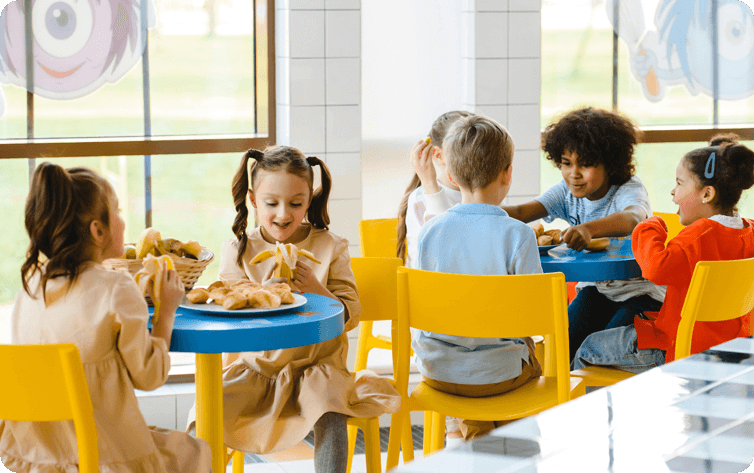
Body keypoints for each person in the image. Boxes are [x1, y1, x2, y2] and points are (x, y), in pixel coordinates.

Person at [187, 147, 400, 473]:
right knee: (205, 415)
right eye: (272, 203)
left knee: (330, 414)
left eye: (296, 203)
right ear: (254, 200)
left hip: (318, 368)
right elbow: (228, 319)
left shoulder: (330, 246)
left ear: (309, 200)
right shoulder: (239, 249)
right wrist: (260, 294)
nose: (283, 214)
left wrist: (317, 290)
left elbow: (351, 314)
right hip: (258, 369)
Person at [0, 163, 211, 473]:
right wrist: (165, 313)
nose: (124, 222)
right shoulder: (116, 287)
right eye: (118, 212)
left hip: (36, 458)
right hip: (106, 459)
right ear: (98, 230)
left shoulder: (29, 287)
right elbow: (150, 376)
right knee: (196, 451)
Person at [572, 138, 754, 371]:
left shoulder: (698, 235)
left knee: (589, 347)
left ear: (707, 194)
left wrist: (650, 225)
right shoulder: (749, 232)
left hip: (677, 347)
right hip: (727, 345)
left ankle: (580, 407)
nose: (672, 191)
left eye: (679, 183)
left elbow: (656, 268)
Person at [414, 115, 543, 441]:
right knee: (526, 358)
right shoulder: (519, 235)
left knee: (485, 367)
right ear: (508, 173)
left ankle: (477, 441)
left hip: (438, 370)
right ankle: (509, 454)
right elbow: (535, 320)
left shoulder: (430, 232)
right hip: (498, 375)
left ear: (452, 176)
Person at [501, 107, 664, 360]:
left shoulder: (627, 189)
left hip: (642, 295)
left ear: (610, 164)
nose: (574, 174)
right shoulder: (565, 192)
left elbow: (633, 217)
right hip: (597, 290)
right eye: (566, 163)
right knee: (561, 349)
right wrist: (478, 210)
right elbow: (522, 211)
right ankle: (567, 398)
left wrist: (589, 228)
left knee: (602, 353)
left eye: (585, 164)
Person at [397, 110, 474, 266]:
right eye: (463, 148)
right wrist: (429, 182)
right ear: (438, 156)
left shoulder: (480, 192)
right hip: (429, 285)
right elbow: (449, 246)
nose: (473, 156)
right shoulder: (421, 198)